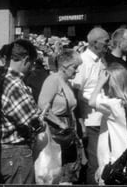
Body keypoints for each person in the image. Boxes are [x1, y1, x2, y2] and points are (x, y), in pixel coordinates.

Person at [0, 39, 44, 185]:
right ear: (25, 59)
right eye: (31, 64)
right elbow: (32, 122)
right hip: (15, 152)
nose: (31, 68)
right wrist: (41, 120)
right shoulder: (14, 83)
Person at [38, 50, 83, 184]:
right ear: (64, 66)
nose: (77, 71)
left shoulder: (66, 82)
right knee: (56, 169)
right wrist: (60, 123)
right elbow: (43, 106)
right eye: (75, 67)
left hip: (66, 131)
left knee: (68, 171)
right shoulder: (53, 80)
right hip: (56, 132)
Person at [90, 63, 127, 184]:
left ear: (112, 85)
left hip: (113, 161)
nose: (104, 88)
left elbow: (92, 101)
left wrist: (99, 83)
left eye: (106, 84)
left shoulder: (113, 105)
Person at [72, 26, 110, 184]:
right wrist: (79, 122)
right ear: (95, 43)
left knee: (102, 161)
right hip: (91, 121)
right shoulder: (82, 62)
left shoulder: (101, 59)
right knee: (94, 163)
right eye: (106, 41)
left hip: (102, 118)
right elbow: (75, 92)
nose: (109, 44)